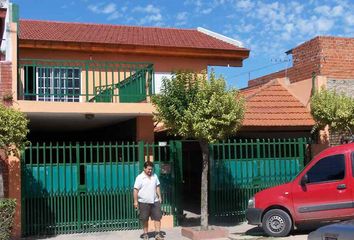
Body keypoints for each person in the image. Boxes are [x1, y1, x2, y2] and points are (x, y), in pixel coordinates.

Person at [134, 161, 164, 240]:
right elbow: (135, 190)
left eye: (151, 169)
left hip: (155, 201)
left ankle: (157, 234)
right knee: (144, 219)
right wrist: (135, 201)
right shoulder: (139, 177)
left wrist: (160, 197)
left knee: (157, 217)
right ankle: (145, 234)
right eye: (148, 169)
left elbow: (157, 187)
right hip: (143, 202)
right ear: (144, 168)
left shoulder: (155, 176)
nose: (150, 171)